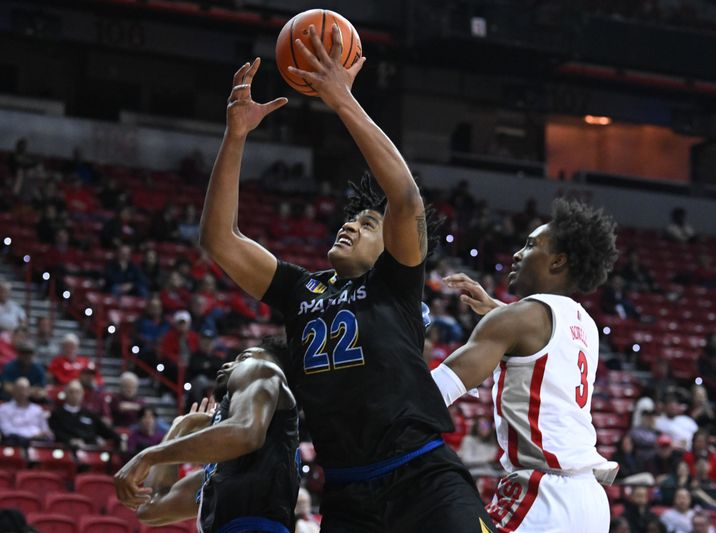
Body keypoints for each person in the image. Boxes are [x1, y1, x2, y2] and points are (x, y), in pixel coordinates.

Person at [196, 28, 496, 532]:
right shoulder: (299, 289)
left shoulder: (396, 284)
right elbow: (220, 240)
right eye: (351, 218)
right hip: (348, 491)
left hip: (422, 477)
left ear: (390, 245)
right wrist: (236, 135)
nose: (351, 223)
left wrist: (341, 99)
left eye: (367, 223)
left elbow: (403, 195)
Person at [436, 199, 619, 531]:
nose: (519, 253)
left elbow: (434, 391)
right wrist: (498, 310)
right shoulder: (585, 324)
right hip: (590, 502)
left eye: (532, 245)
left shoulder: (520, 317)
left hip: (543, 494)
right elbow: (538, 341)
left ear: (558, 261)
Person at [114, 343, 300, 533]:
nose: (228, 364)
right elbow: (150, 508)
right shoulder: (228, 471)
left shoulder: (263, 368)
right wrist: (180, 427)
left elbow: (244, 433)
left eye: (243, 357)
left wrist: (149, 455)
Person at [49, 380, 118, 449]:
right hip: (65, 450)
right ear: (65, 394)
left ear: (82, 394)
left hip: (90, 452)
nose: (74, 395)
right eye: (71, 392)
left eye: (77, 392)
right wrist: (70, 440)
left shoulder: (90, 414)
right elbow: (55, 433)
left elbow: (106, 432)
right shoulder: (56, 414)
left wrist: (119, 440)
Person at [0, 377, 52, 445]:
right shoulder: (4, 409)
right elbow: (6, 431)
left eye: (25, 390)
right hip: (15, 443)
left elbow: (45, 429)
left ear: (29, 391)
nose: (22, 393)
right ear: (14, 391)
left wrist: (45, 434)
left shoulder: (37, 409)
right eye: (19, 390)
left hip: (38, 442)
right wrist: (30, 436)